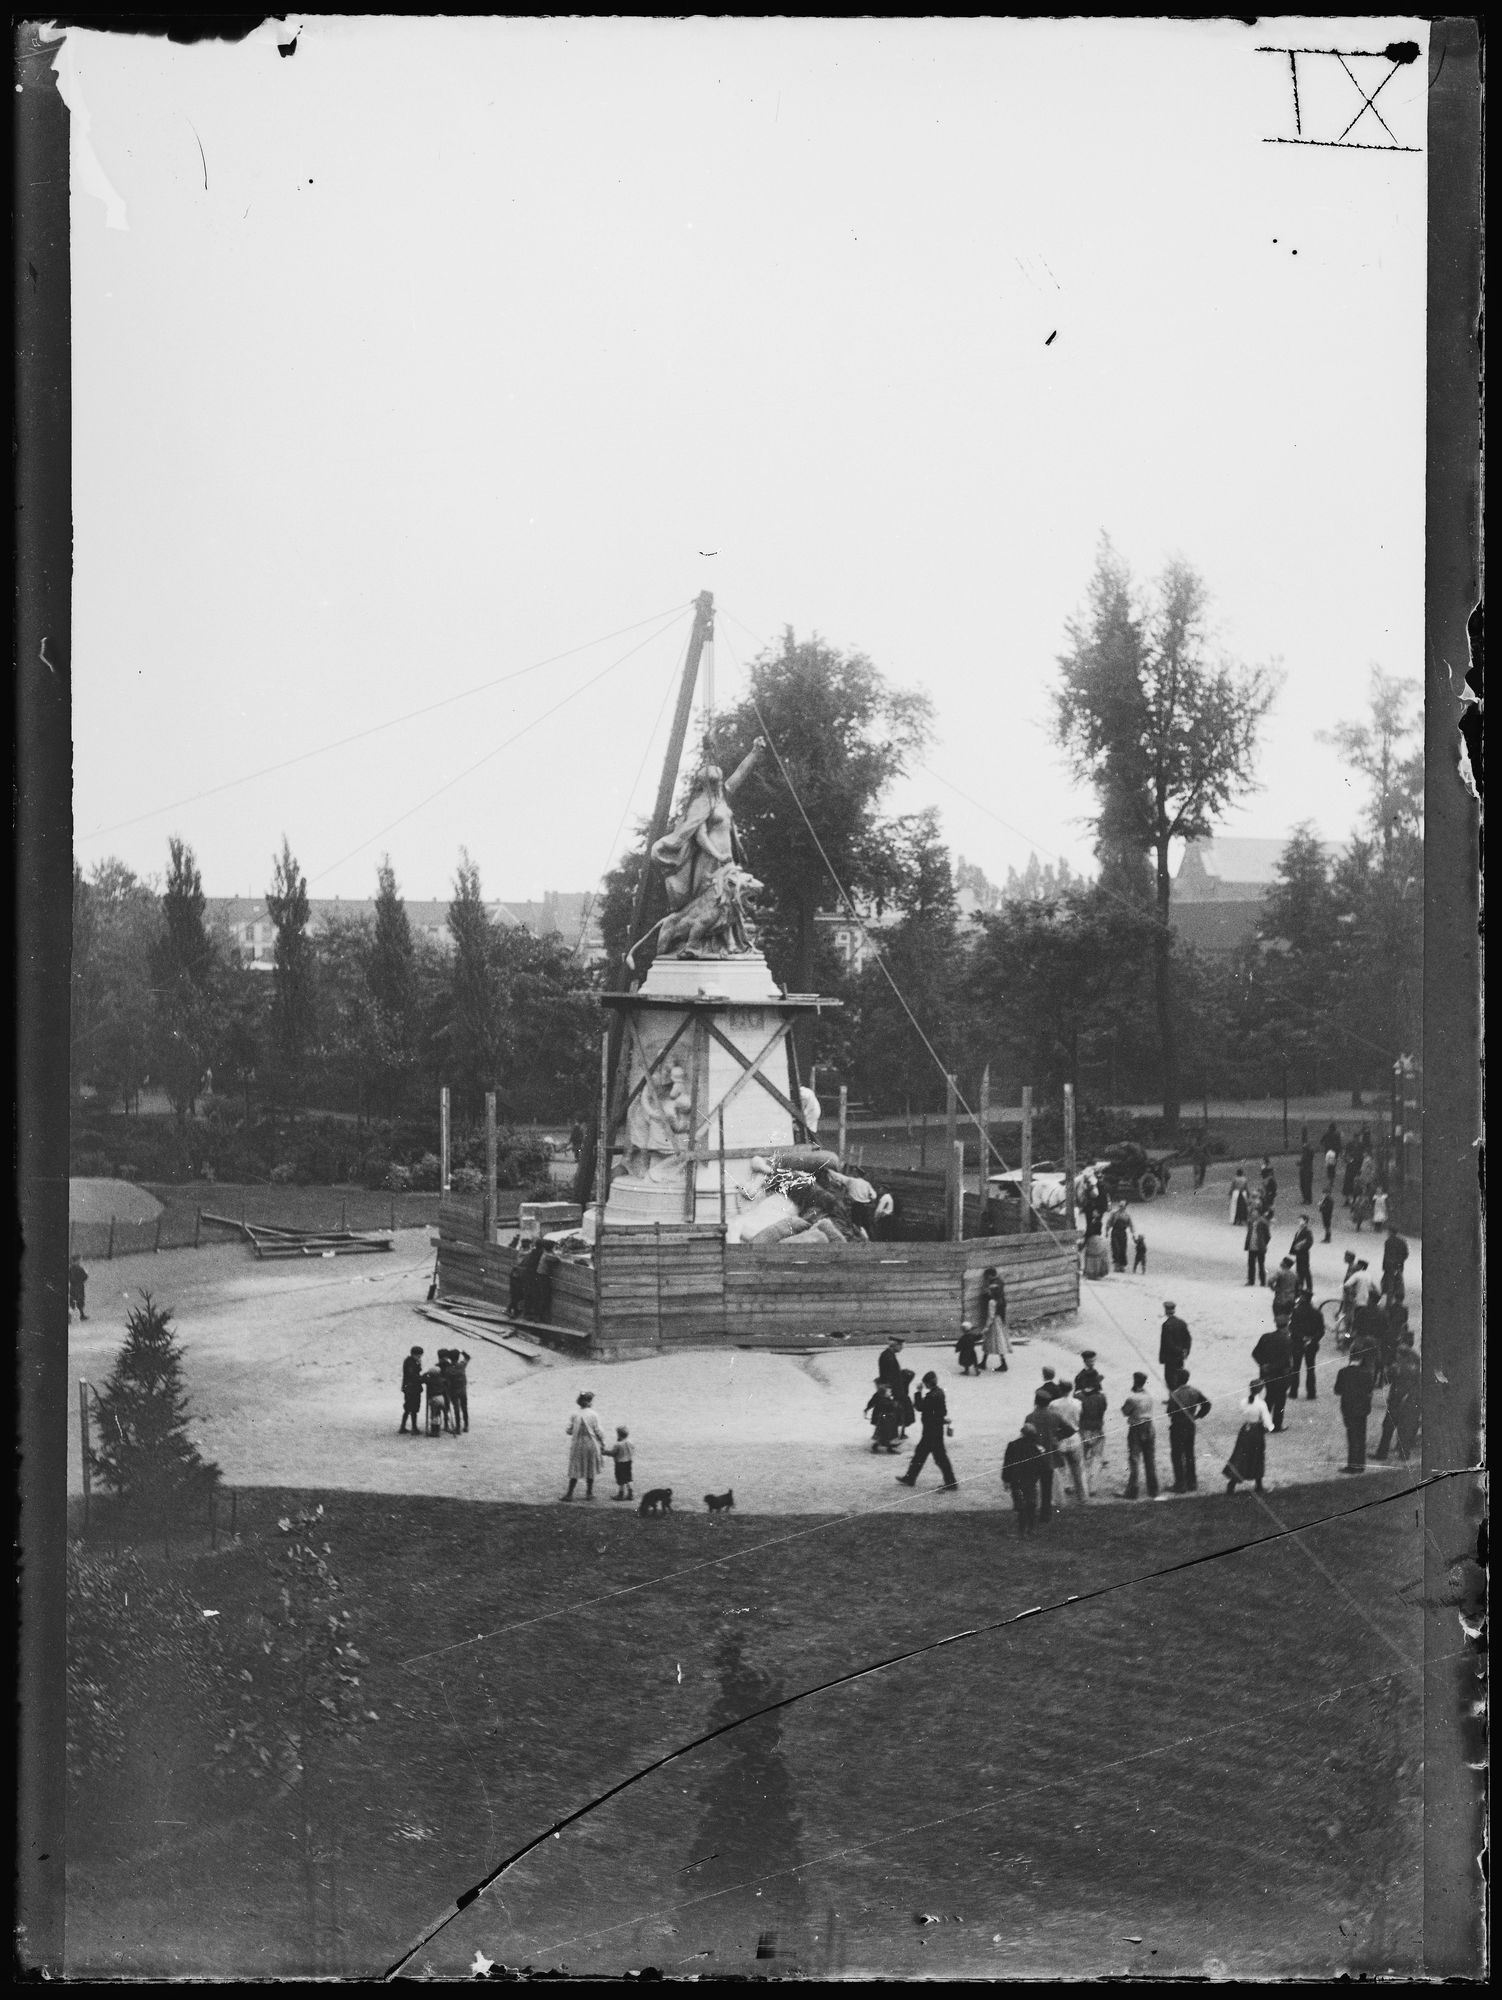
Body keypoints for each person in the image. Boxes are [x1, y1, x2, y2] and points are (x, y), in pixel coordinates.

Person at [896, 1372, 958, 1491]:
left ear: (928, 1383)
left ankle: (951, 1482)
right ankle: (911, 1477)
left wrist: (918, 1392)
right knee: (923, 1455)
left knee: (935, 1457)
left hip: (931, 1432)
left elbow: (920, 1407)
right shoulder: (940, 1393)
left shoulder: (931, 1396)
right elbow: (942, 1411)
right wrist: (941, 1420)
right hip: (935, 1430)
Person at [1373, 1333, 1421, 1462]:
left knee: (1388, 1427)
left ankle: (1381, 1454)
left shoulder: (1397, 1367)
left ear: (1400, 1355)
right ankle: (1404, 1455)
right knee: (1405, 1429)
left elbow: (1387, 1379)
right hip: (1410, 1401)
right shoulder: (1417, 1362)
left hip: (1396, 1401)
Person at [1223, 1379, 1274, 1494]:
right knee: (1258, 1456)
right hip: (1256, 1431)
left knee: (1241, 1456)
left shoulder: (1243, 1401)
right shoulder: (1261, 1404)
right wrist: (1270, 1427)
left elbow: (1242, 1412)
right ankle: (1258, 1484)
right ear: (1261, 1390)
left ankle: (1233, 1483)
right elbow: (1267, 1421)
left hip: (1245, 1429)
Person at [1166, 1373, 1212, 1492]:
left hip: (1178, 1427)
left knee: (1177, 1455)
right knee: (1189, 1454)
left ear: (1178, 1379)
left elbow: (1169, 1412)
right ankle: (1192, 1483)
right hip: (1190, 1425)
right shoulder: (1195, 1391)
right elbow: (1207, 1404)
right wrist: (1198, 1416)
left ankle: (1180, 1484)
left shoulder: (1175, 1394)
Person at [1001, 1425, 1049, 1535]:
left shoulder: (1012, 1445)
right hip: (1031, 1480)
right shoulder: (1035, 1447)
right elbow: (1042, 1465)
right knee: (1031, 1504)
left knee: (1020, 1505)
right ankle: (1032, 1529)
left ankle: (1021, 1530)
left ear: (1022, 1433)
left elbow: (1007, 1464)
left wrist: (1005, 1480)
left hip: (1016, 1480)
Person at [1334, 1352, 1375, 1473]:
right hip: (1362, 1409)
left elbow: (1337, 1390)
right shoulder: (1367, 1373)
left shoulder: (1343, 1372)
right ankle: (1360, 1465)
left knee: (1352, 1437)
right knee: (1361, 1436)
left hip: (1349, 1408)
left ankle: (1352, 1465)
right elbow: (1370, 1390)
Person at [1121, 1373, 1159, 1499]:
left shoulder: (1132, 1398)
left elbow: (1125, 1412)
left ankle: (1132, 1491)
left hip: (1136, 1428)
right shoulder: (1149, 1395)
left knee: (1135, 1459)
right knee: (1150, 1459)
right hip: (1149, 1426)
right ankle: (1153, 1489)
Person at [562, 1391, 606, 1500]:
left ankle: (569, 1494)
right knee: (590, 1467)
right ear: (590, 1401)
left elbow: (568, 1430)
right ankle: (589, 1493)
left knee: (575, 1467)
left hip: (577, 1444)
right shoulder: (593, 1414)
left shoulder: (575, 1414)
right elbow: (598, 1431)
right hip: (591, 1443)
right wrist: (602, 1442)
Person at [1251, 1320, 1294, 1432]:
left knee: (1269, 1398)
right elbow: (1285, 1361)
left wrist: (1263, 1364)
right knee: (1280, 1401)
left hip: (1267, 1375)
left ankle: (1262, 1424)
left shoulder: (1265, 1337)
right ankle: (1276, 1425)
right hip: (1280, 1375)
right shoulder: (1287, 1341)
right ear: (1286, 1327)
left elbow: (1255, 1353)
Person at [1289, 1292, 1325, 1400]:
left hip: (1298, 1343)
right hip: (1312, 1344)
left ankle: (1293, 1391)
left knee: (1295, 1368)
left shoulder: (1296, 1311)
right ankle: (1311, 1393)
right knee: (1310, 1368)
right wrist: (1312, 1339)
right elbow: (1321, 1331)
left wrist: (1302, 1337)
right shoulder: (1317, 1313)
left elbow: (1292, 1328)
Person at [977, 1266, 1009, 1371]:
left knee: (996, 1343)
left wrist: (986, 1327)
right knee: (990, 1343)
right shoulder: (1000, 1298)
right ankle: (984, 1362)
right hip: (999, 1320)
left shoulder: (992, 1302)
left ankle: (1003, 1364)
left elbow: (991, 1316)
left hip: (994, 1323)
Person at [1158, 1302, 1192, 1387]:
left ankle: (1173, 1398)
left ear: (1166, 1311)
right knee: (1179, 1377)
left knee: (1169, 1379)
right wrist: (1185, 1351)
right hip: (1180, 1358)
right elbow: (1188, 1339)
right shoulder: (1182, 1323)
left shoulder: (1166, 1325)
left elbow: (1168, 1343)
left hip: (1170, 1358)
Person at [864, 1378, 902, 1453]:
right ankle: (887, 1446)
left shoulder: (888, 1399)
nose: (891, 1392)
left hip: (889, 1420)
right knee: (886, 1433)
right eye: (889, 1391)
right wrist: (895, 1404)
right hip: (886, 1419)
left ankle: (882, 1445)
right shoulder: (883, 1399)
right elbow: (887, 1406)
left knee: (886, 1434)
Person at [441, 1347, 471, 1434]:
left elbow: (447, 1382)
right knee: (464, 1407)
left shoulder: (448, 1369)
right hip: (463, 1390)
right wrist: (462, 1351)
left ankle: (458, 1427)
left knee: (456, 1409)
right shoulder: (462, 1365)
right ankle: (466, 1425)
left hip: (453, 1391)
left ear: (450, 1358)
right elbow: (468, 1357)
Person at [1380, 1223, 1410, 1306]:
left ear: (1390, 1232)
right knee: (1398, 1285)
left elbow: (1386, 1255)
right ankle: (1397, 1303)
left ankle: (1388, 1304)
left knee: (1389, 1286)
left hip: (1389, 1267)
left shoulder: (1388, 1241)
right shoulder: (1402, 1241)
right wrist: (1400, 1262)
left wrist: (1384, 1266)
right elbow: (1406, 1254)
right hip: (1399, 1267)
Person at [400, 1345, 424, 1434]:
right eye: (419, 1355)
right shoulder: (410, 1362)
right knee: (412, 1408)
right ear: (414, 1354)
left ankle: (403, 1427)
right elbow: (412, 1375)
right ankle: (414, 1428)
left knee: (409, 1408)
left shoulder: (411, 1361)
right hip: (412, 1388)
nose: (420, 1357)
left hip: (410, 1388)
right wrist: (421, 1378)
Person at [1270, 1257, 1299, 1329]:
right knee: (1287, 1317)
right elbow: (1297, 1288)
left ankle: (1280, 1332)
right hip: (1291, 1299)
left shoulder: (1280, 1272)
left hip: (1280, 1299)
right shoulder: (1294, 1275)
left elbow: (1270, 1281)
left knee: (1278, 1317)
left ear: (1285, 1264)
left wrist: (1273, 1288)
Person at [1290, 1215, 1315, 1298]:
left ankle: (1309, 1287)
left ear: (1305, 1221)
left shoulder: (1307, 1231)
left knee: (1305, 1271)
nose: (1299, 1222)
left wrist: (1300, 1247)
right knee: (1299, 1270)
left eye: (1300, 1220)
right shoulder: (1299, 1231)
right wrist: (1293, 1251)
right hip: (1299, 1254)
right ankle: (1300, 1286)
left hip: (1303, 1253)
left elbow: (1309, 1242)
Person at [1245, 1210, 1271, 1287]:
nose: (1253, 1215)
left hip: (1260, 1247)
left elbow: (1268, 1235)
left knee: (1261, 1264)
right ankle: (1251, 1280)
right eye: (1252, 1214)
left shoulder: (1263, 1222)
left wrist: (1263, 1243)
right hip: (1251, 1246)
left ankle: (1262, 1281)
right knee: (1251, 1264)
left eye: (1254, 1214)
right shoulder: (1250, 1222)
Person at [607, 1425, 634, 1499]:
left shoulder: (618, 1444)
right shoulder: (630, 1442)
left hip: (620, 1463)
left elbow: (613, 1453)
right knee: (629, 1478)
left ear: (618, 1434)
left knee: (621, 1479)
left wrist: (603, 1452)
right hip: (628, 1462)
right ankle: (630, 1493)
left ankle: (621, 1494)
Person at [1108, 1203, 1135, 1272]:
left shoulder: (1127, 1215)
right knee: (1115, 1248)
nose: (1121, 1207)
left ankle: (1122, 1266)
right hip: (1115, 1232)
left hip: (1123, 1233)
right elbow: (1109, 1222)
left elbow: (1131, 1225)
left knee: (1123, 1249)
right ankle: (1116, 1265)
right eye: (1120, 1206)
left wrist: (1133, 1234)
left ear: (1125, 1207)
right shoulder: (1114, 1214)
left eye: (1123, 1206)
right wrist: (1106, 1230)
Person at [68, 1255, 88, 1320]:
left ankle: (71, 1315)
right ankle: (82, 1316)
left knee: (72, 1302)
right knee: (80, 1301)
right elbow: (85, 1277)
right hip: (79, 1288)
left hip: (72, 1287)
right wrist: (86, 1273)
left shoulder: (70, 1269)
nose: (80, 1261)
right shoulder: (80, 1268)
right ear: (77, 1261)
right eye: (80, 1260)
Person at [1298, 1136, 1315, 1206]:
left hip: (1307, 1171)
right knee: (1303, 1185)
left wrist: (1299, 1163)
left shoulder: (1308, 1152)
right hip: (1305, 1170)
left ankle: (1308, 1199)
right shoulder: (1306, 1152)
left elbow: (1304, 1161)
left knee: (1306, 1186)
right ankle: (1306, 1199)